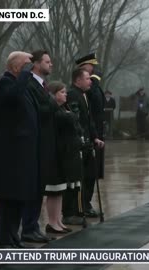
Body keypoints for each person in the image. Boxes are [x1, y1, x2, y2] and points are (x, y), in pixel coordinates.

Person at [0, 51, 35, 248]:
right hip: (10, 151)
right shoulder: (5, 83)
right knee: (9, 198)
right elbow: (12, 98)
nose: (30, 69)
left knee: (18, 197)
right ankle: (3, 239)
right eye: (27, 65)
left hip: (21, 150)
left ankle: (13, 236)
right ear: (16, 66)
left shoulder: (21, 85)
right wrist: (25, 76)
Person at [20, 50, 57, 244]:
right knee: (33, 189)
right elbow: (37, 109)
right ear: (36, 64)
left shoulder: (42, 85)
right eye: (47, 61)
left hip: (44, 142)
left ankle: (32, 226)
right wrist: (53, 104)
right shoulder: (30, 84)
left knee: (39, 187)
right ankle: (28, 227)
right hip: (35, 143)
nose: (51, 64)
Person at [63, 68, 104, 225]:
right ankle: (76, 210)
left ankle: (84, 206)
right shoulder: (73, 94)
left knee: (89, 176)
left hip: (87, 141)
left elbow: (89, 120)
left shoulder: (83, 94)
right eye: (87, 78)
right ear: (77, 80)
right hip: (79, 143)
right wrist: (83, 138)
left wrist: (94, 137)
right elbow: (76, 120)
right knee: (78, 178)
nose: (90, 81)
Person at [46, 81, 82, 233]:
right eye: (62, 92)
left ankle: (57, 220)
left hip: (66, 153)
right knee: (54, 191)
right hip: (56, 153)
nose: (65, 94)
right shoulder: (53, 110)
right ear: (54, 94)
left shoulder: (63, 108)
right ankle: (52, 222)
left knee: (60, 191)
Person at [75, 53, 107, 197]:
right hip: (89, 132)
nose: (93, 67)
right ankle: (85, 202)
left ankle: (88, 200)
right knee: (88, 170)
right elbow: (93, 101)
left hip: (96, 131)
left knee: (94, 170)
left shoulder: (94, 84)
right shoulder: (88, 86)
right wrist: (94, 80)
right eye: (90, 65)